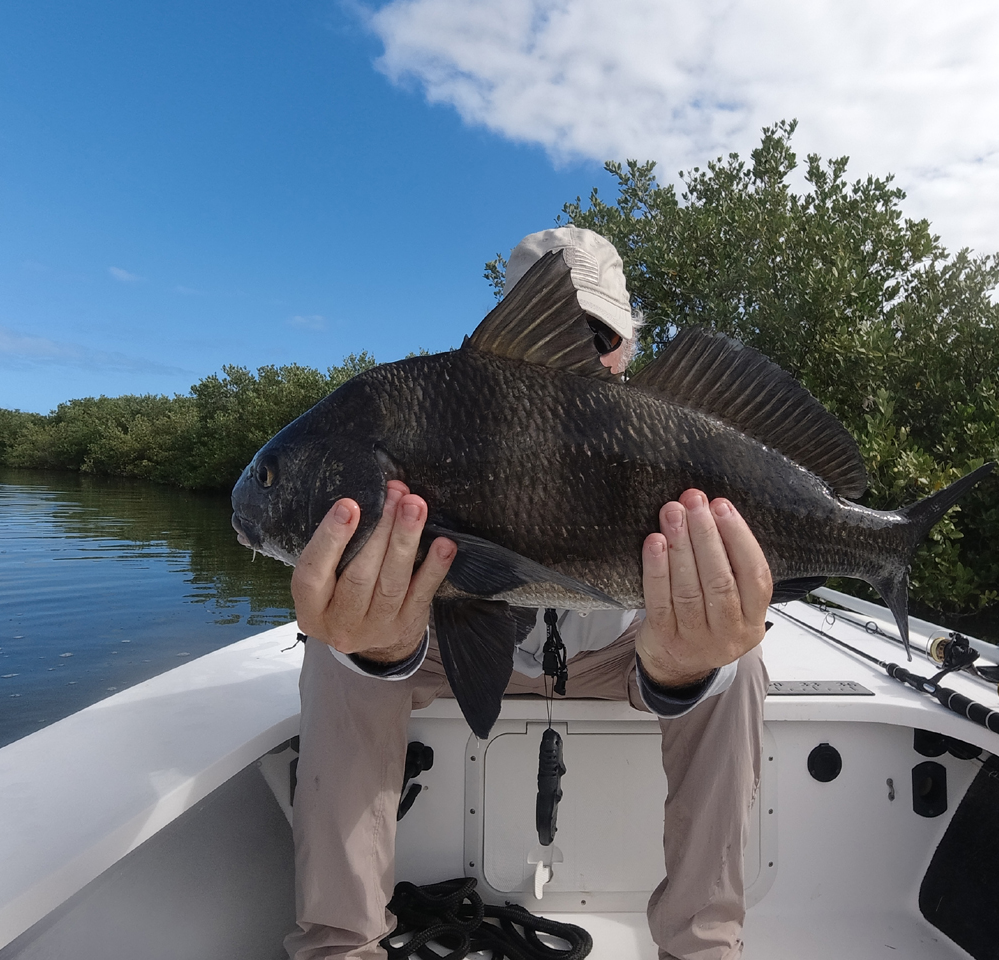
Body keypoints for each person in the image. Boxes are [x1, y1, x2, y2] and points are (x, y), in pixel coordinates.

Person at [283, 227, 771, 960]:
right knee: (340, 649)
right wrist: (379, 642)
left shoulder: (665, 437)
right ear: (506, 331)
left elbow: (699, 645)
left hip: (630, 656)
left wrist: (689, 665)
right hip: (451, 646)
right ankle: (338, 945)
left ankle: (705, 948)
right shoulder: (441, 421)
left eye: (598, 336)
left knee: (738, 670)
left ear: (627, 351)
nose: (576, 355)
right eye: (552, 329)